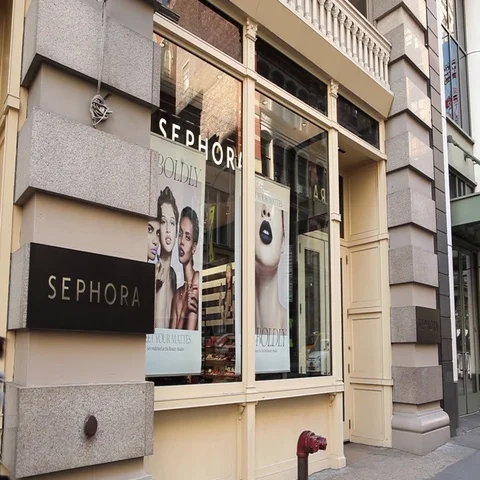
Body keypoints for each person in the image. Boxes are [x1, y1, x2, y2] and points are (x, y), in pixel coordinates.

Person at [255, 200, 288, 331]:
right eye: (259, 204)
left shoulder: (287, 325)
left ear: (283, 242)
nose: (267, 211)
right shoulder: (242, 322)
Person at [170, 207, 200, 330]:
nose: (181, 241)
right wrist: (183, 314)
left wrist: (181, 316)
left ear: (194, 247)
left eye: (187, 237)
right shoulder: (177, 294)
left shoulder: (197, 279)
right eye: (180, 234)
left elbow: (189, 335)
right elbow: (171, 339)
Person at [154, 187, 179, 329]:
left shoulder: (172, 276)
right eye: (163, 222)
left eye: (172, 222)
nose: (168, 229)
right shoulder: (154, 271)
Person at [219, 263, 234, 333]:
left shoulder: (233, 288)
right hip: (227, 293)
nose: (227, 275)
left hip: (231, 293)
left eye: (229, 272)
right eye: (226, 272)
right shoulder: (225, 288)